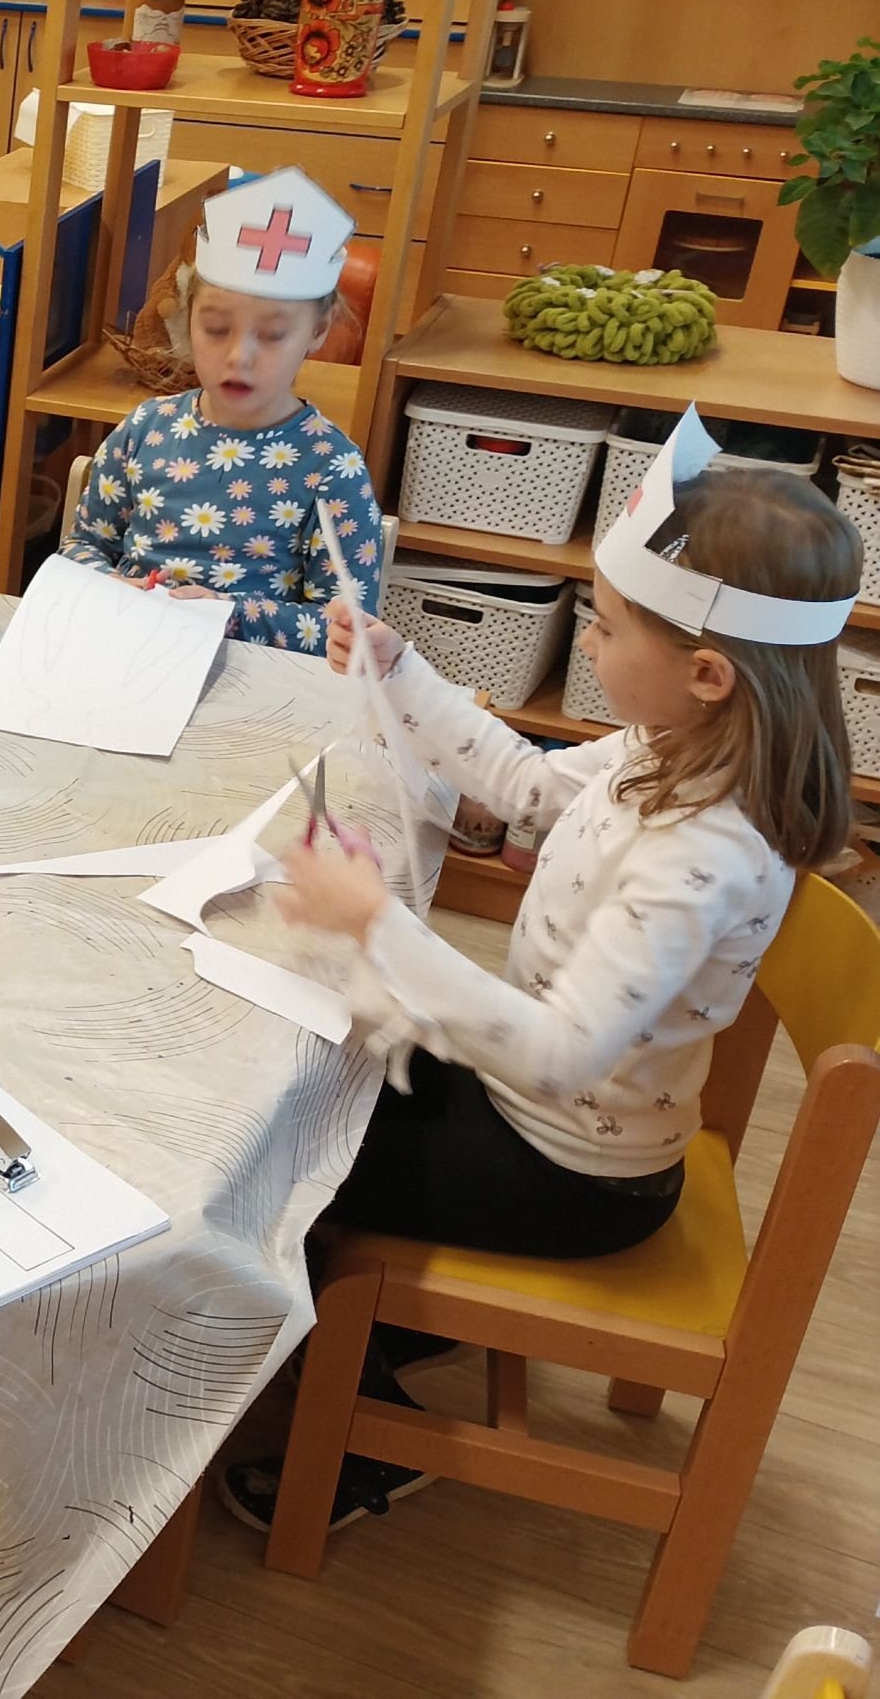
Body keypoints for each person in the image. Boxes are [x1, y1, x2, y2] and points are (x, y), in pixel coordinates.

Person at [223, 412, 861, 1532]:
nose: (590, 644)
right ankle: (379, 1326)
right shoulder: (673, 746)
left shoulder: (705, 853)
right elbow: (525, 785)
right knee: (316, 1085)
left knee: (286, 1161)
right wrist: (401, 668)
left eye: (605, 628)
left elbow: (562, 1053)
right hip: (541, 1115)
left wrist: (375, 922)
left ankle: (361, 1433)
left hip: (575, 1175)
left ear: (707, 672)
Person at [61, 167, 386, 655]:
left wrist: (224, 613)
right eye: (215, 329)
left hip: (252, 676)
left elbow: (345, 628)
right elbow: (80, 548)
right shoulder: (146, 429)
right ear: (188, 319)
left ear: (318, 332)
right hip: (126, 653)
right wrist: (111, 588)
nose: (239, 356)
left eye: (273, 335)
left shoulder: (331, 467)